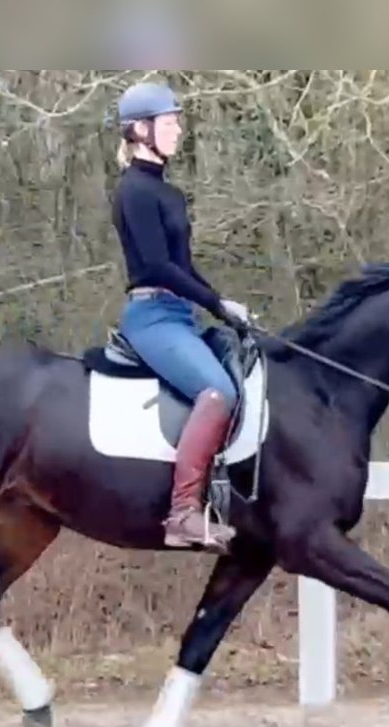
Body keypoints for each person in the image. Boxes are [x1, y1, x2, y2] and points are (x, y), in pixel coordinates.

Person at [111, 80, 252, 551]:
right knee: (218, 392)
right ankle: (183, 515)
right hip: (151, 317)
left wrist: (221, 304)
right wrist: (215, 303)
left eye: (177, 122)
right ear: (140, 131)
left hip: (180, 314)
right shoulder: (133, 191)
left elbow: (183, 267)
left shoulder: (169, 194)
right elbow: (155, 266)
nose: (179, 130)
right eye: (169, 123)